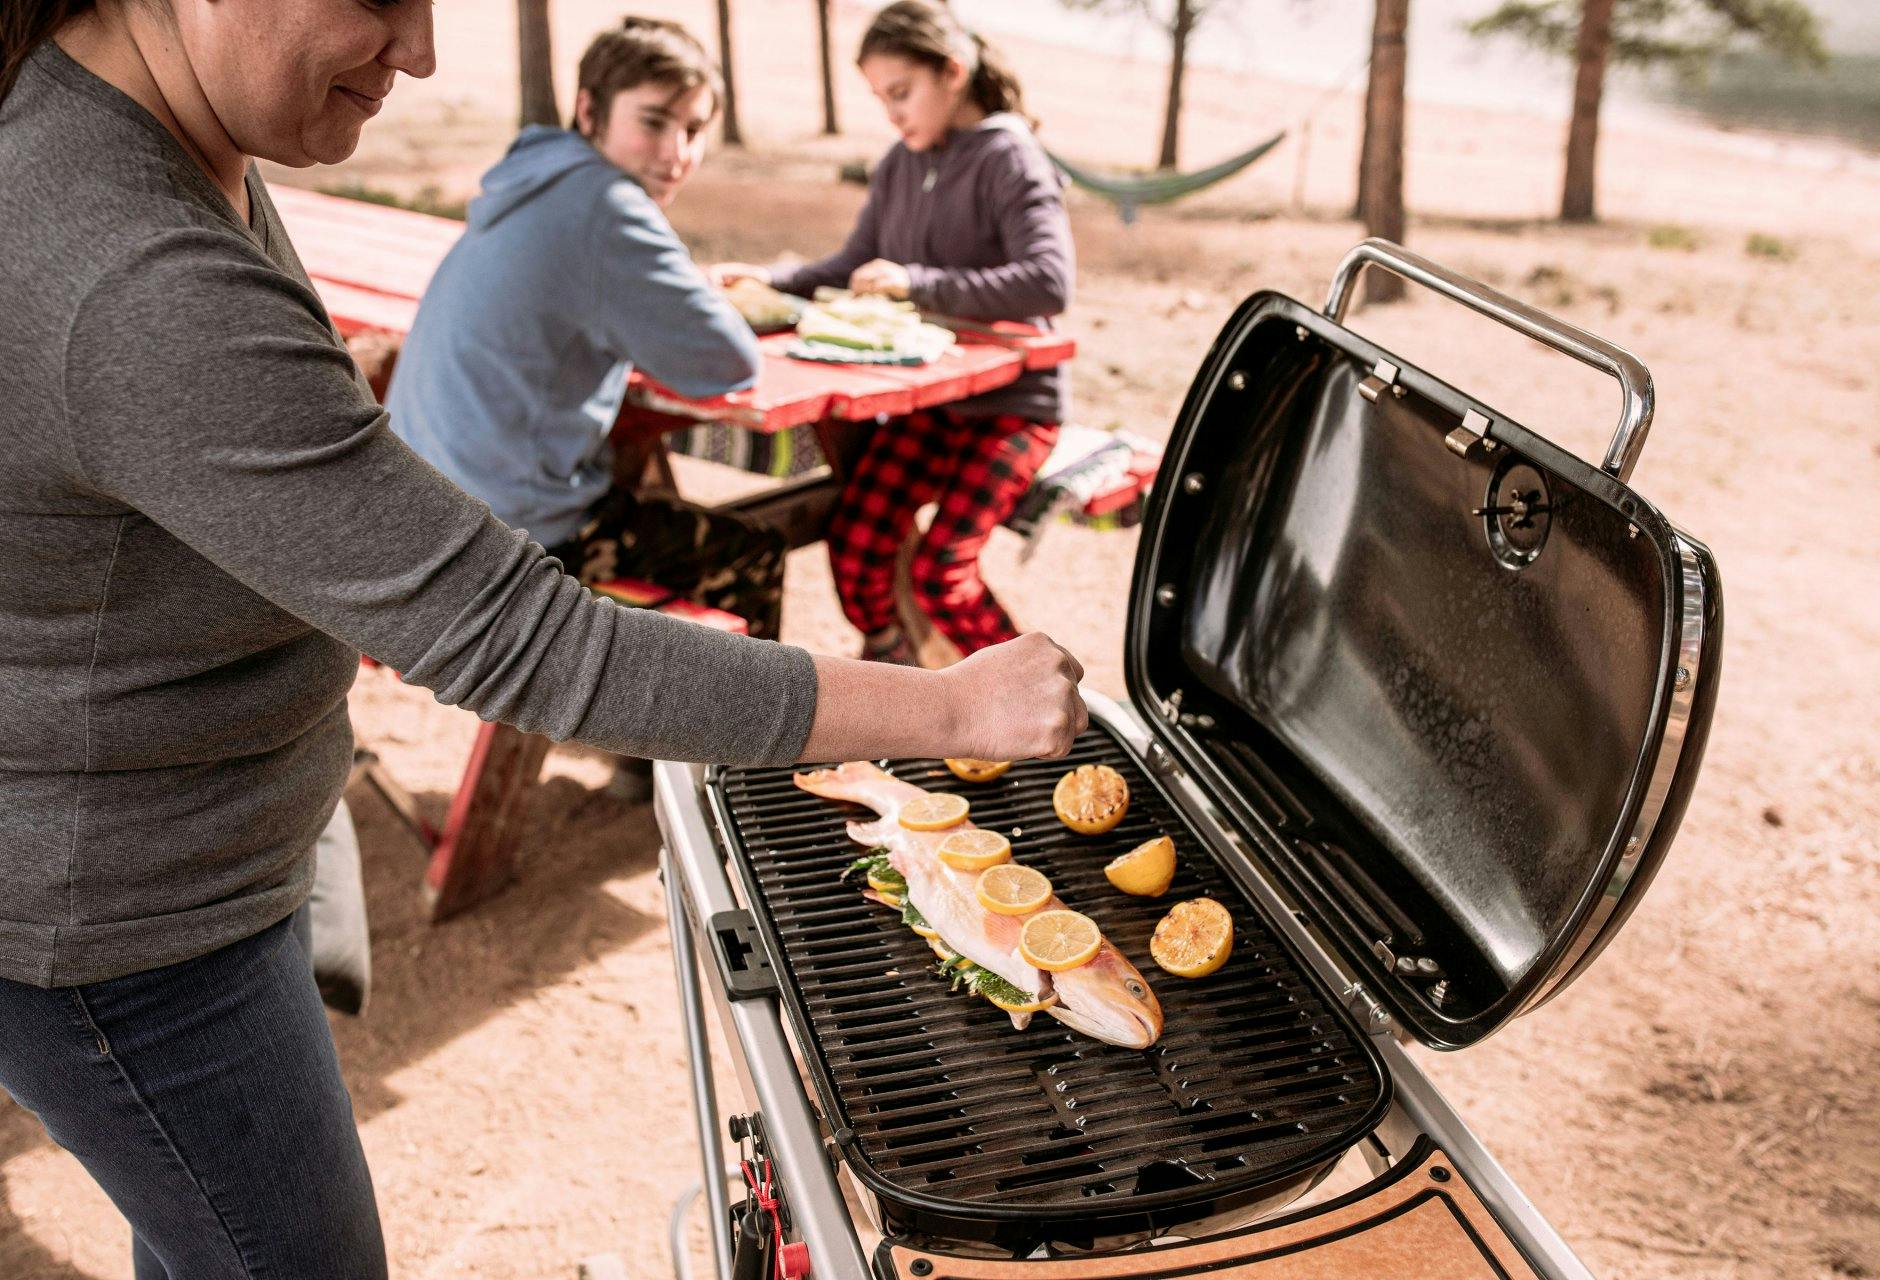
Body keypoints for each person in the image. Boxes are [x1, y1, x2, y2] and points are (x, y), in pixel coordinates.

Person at [0, 3, 1087, 1277]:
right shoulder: (135, 262)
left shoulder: (151, 135)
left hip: (179, 833)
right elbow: (532, 645)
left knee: (192, 1231)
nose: (419, 52)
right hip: (126, 918)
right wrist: (949, 710)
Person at [386, 18, 787, 650]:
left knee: (637, 504)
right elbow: (726, 362)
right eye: (654, 122)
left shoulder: (537, 177)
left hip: (418, 513)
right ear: (589, 109)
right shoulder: (608, 206)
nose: (676, 152)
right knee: (751, 554)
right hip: (506, 543)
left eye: (693, 130)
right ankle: (730, 749)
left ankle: (645, 745)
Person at [714, 0, 1075, 665]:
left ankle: (1043, 696)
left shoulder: (1010, 157)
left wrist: (918, 282)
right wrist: (765, 279)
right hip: (933, 406)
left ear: (953, 73)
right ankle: (896, 666)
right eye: (881, 98)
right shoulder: (900, 163)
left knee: (942, 573)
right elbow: (851, 267)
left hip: (1014, 409)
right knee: (855, 538)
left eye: (902, 93)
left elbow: (1050, 283)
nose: (892, 113)